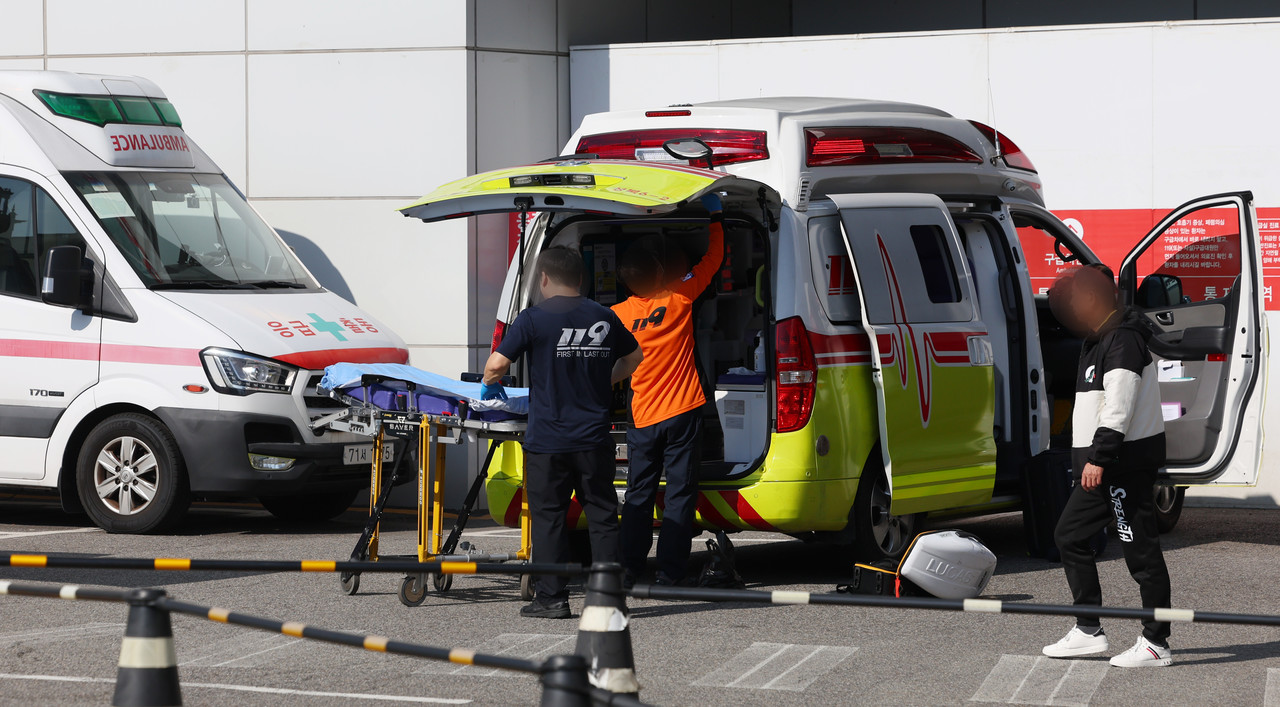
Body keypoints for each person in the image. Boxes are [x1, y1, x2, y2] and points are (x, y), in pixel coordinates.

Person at [483, 246, 643, 618]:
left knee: (550, 518)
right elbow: (635, 358)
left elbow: (496, 365)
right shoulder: (603, 316)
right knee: (602, 516)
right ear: (581, 279)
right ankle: (608, 601)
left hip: (549, 442)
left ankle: (552, 599)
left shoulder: (533, 319)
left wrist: (492, 383)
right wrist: (603, 379)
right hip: (593, 438)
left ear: (543, 278)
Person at [1042, 265, 1174, 667]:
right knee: (1070, 535)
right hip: (1105, 466)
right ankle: (1088, 630)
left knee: (1141, 551)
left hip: (1122, 464)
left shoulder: (1123, 337)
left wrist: (1099, 457)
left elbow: (1119, 405)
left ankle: (1156, 643)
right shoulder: (1098, 337)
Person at [612, 192, 725, 586]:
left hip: (643, 418)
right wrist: (715, 217)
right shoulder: (679, 297)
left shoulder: (616, 316)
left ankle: (627, 572)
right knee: (679, 494)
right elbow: (713, 261)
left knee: (638, 496)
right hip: (682, 412)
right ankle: (671, 574)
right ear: (659, 273)